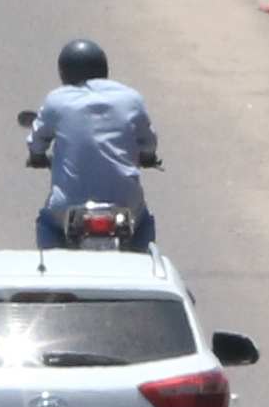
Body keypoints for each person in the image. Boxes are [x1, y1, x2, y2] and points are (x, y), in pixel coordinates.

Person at [23, 36, 166, 251]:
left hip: (68, 207)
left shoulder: (57, 100)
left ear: (64, 72)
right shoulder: (131, 98)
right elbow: (148, 142)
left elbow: (36, 141)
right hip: (125, 202)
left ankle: (51, 273)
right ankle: (145, 266)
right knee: (143, 222)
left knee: (47, 223)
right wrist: (147, 156)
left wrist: (37, 157)